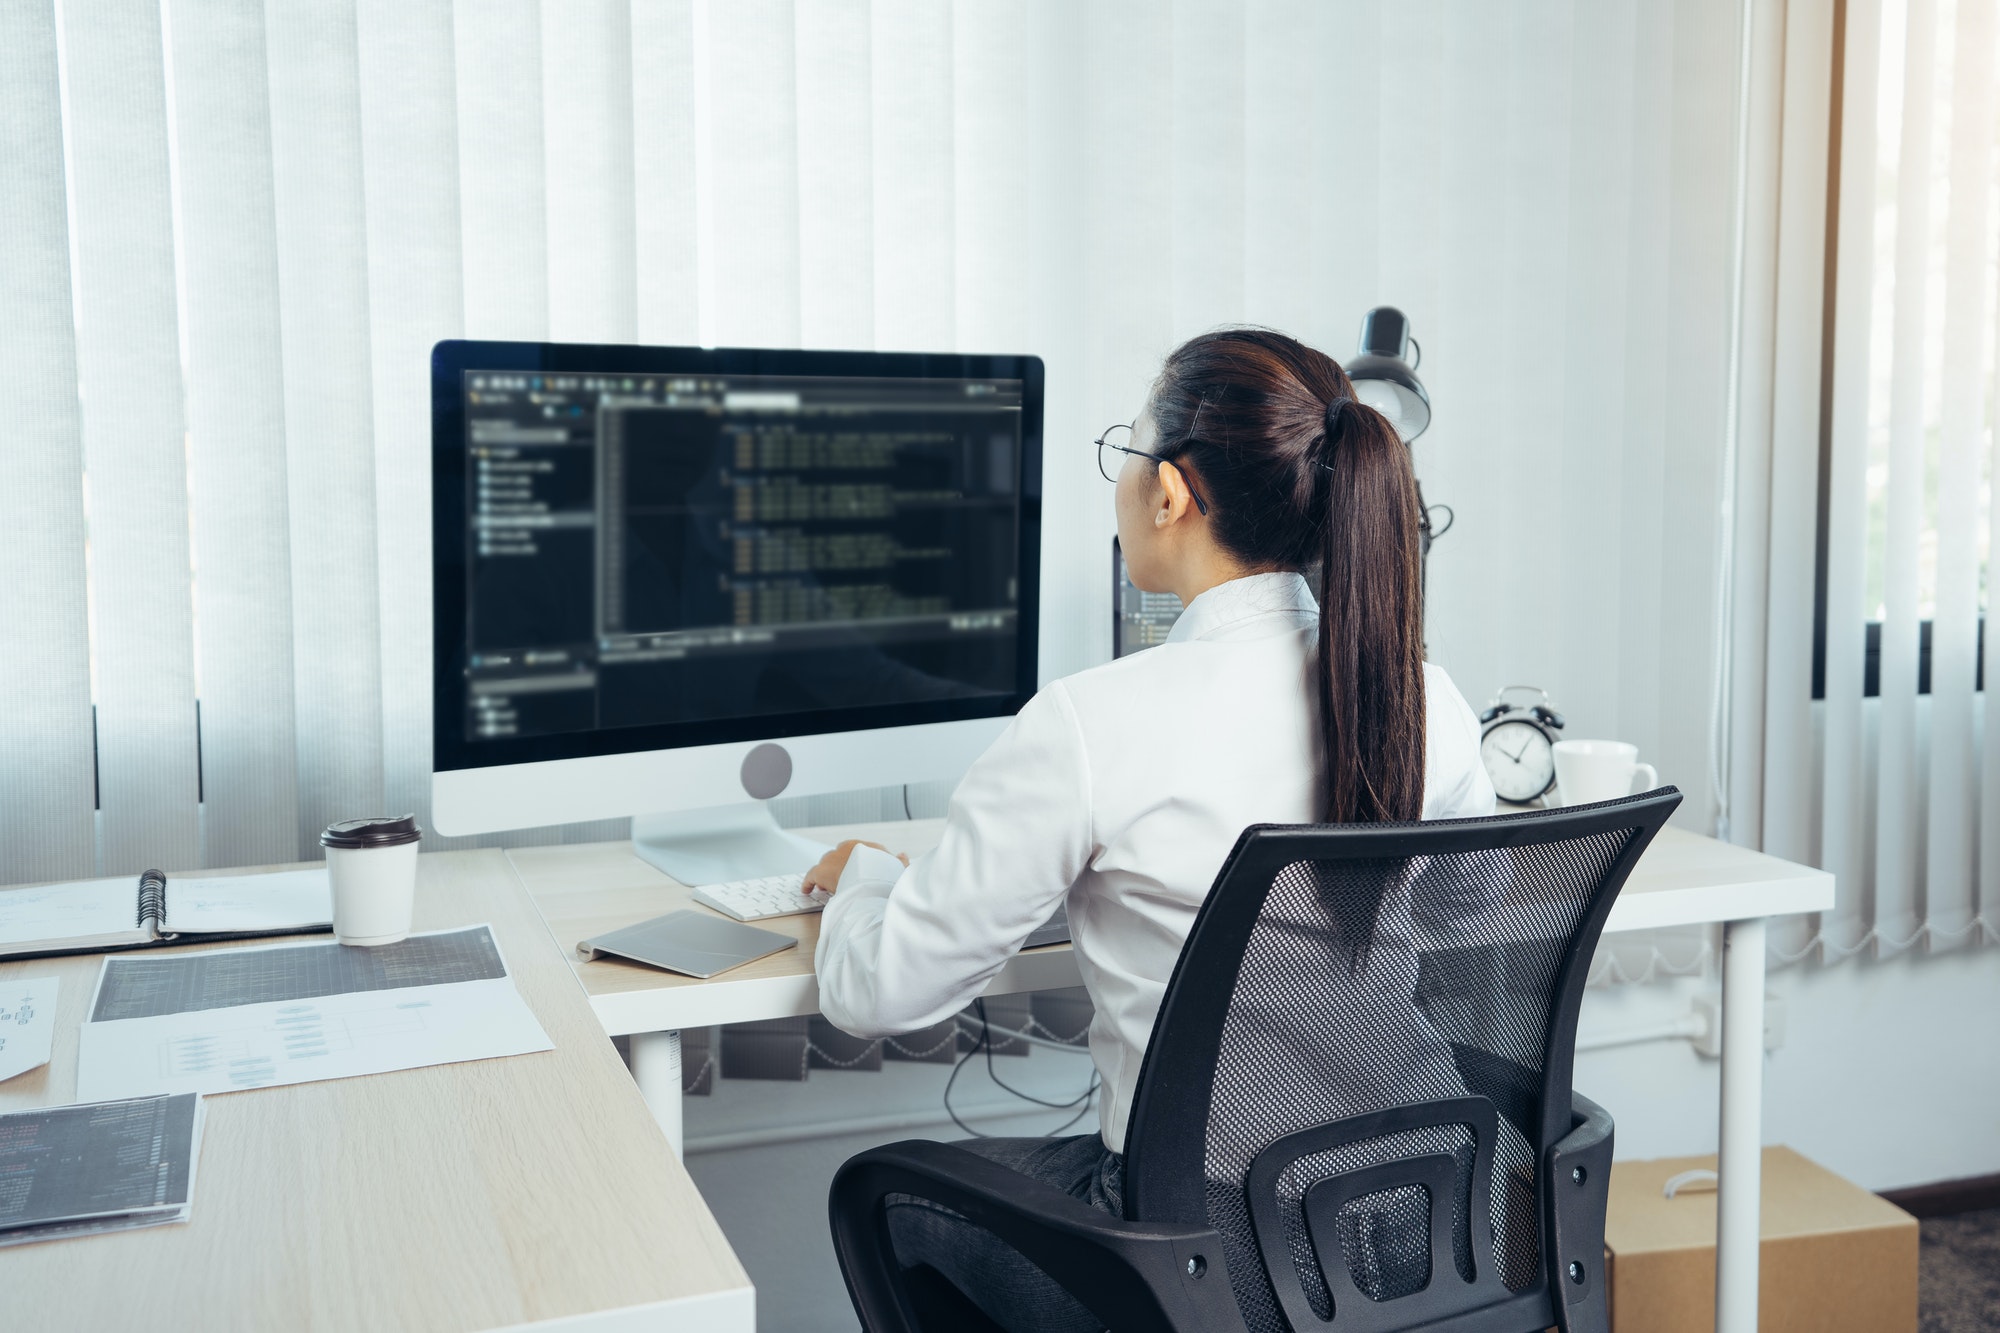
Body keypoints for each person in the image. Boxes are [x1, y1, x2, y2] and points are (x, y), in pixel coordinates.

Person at [806, 328, 1496, 1331]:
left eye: (1125, 455)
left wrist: (869, 878)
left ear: (1169, 492)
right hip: (1417, 1225)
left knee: (895, 1198)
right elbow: (1465, 903)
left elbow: (879, 992)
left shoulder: (1092, 724)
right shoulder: (1422, 697)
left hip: (1212, 1260)